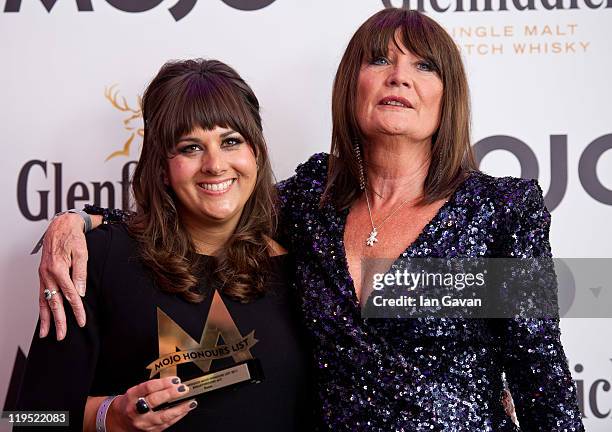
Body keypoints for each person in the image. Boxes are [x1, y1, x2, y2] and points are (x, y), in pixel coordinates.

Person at [33, 8, 584, 431]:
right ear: (352, 86)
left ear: (448, 93)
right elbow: (214, 201)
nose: (399, 77)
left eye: (423, 64)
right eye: (379, 61)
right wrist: (75, 221)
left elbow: (540, 373)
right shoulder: (310, 205)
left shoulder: (500, 211)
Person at [17, 59, 311, 431]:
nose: (215, 164)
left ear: (256, 152)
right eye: (190, 148)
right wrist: (113, 416)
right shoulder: (96, 259)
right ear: (161, 167)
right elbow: (30, 418)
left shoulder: (301, 266)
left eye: (231, 141)